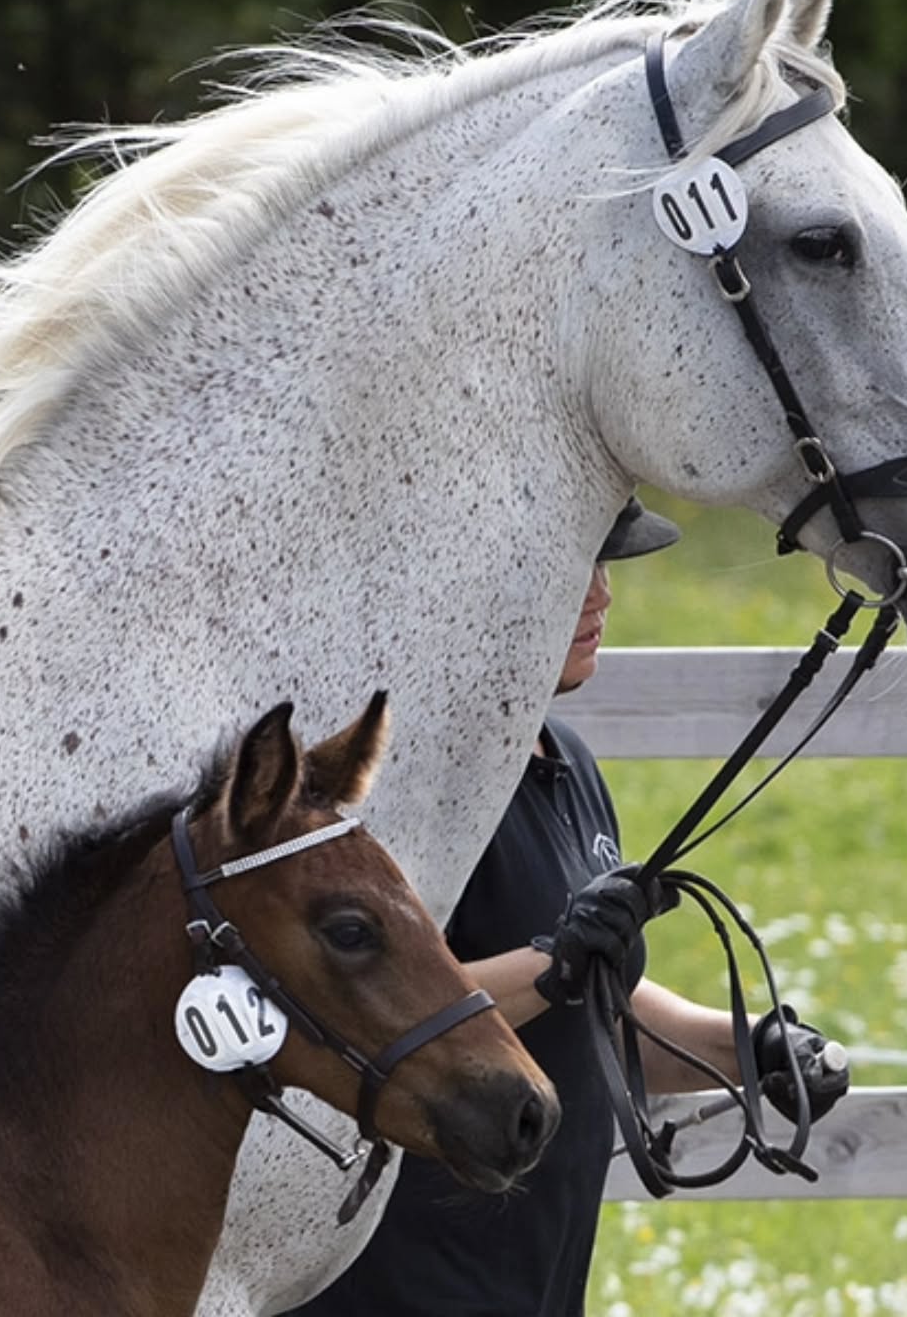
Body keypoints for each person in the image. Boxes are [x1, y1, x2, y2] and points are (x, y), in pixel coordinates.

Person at [286, 498, 847, 1317]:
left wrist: (752, 1049)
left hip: (539, 1271)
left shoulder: (567, 759)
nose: (602, 595)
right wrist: (553, 960)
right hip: (409, 1273)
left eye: (606, 566)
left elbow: (597, 1013)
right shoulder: (413, 781)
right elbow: (363, 1010)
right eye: (575, 568)